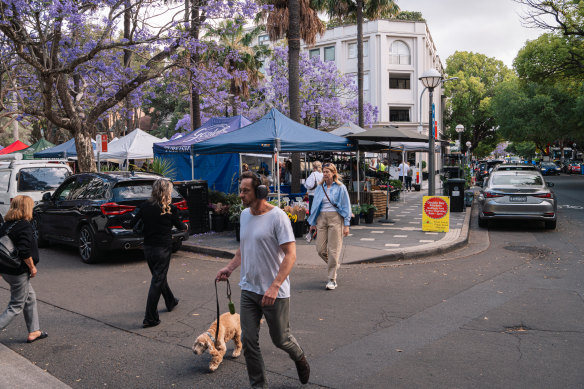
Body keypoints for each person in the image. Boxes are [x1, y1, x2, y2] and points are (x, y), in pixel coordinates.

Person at [216, 171, 310, 387]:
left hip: (274, 292)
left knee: (281, 339)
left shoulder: (278, 217)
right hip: (249, 289)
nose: (241, 195)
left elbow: (291, 254)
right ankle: (259, 385)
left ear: (260, 192)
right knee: (249, 342)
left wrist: (275, 286)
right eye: (240, 190)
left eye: (245, 190)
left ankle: (299, 357)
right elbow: (244, 248)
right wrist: (229, 268)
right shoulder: (244, 215)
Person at [135, 179, 187, 328]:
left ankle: (170, 300)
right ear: (167, 191)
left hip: (148, 248)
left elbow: (133, 225)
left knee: (158, 277)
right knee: (157, 281)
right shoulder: (169, 209)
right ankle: (150, 318)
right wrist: (185, 226)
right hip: (162, 249)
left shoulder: (144, 207)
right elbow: (181, 226)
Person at [0, 195, 48, 343]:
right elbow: (24, 251)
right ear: (26, 208)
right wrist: (32, 267)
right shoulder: (24, 225)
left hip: (7, 269)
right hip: (18, 271)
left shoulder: (7, 224)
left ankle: (34, 331)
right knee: (15, 305)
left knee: (30, 297)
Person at [307, 163, 351, 290]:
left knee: (333, 249)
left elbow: (346, 205)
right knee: (320, 249)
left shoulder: (340, 187)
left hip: (335, 218)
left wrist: (346, 225)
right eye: (324, 172)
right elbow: (315, 206)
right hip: (321, 218)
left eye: (327, 172)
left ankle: (332, 279)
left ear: (333, 173)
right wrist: (313, 223)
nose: (325, 174)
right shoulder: (320, 187)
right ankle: (334, 264)